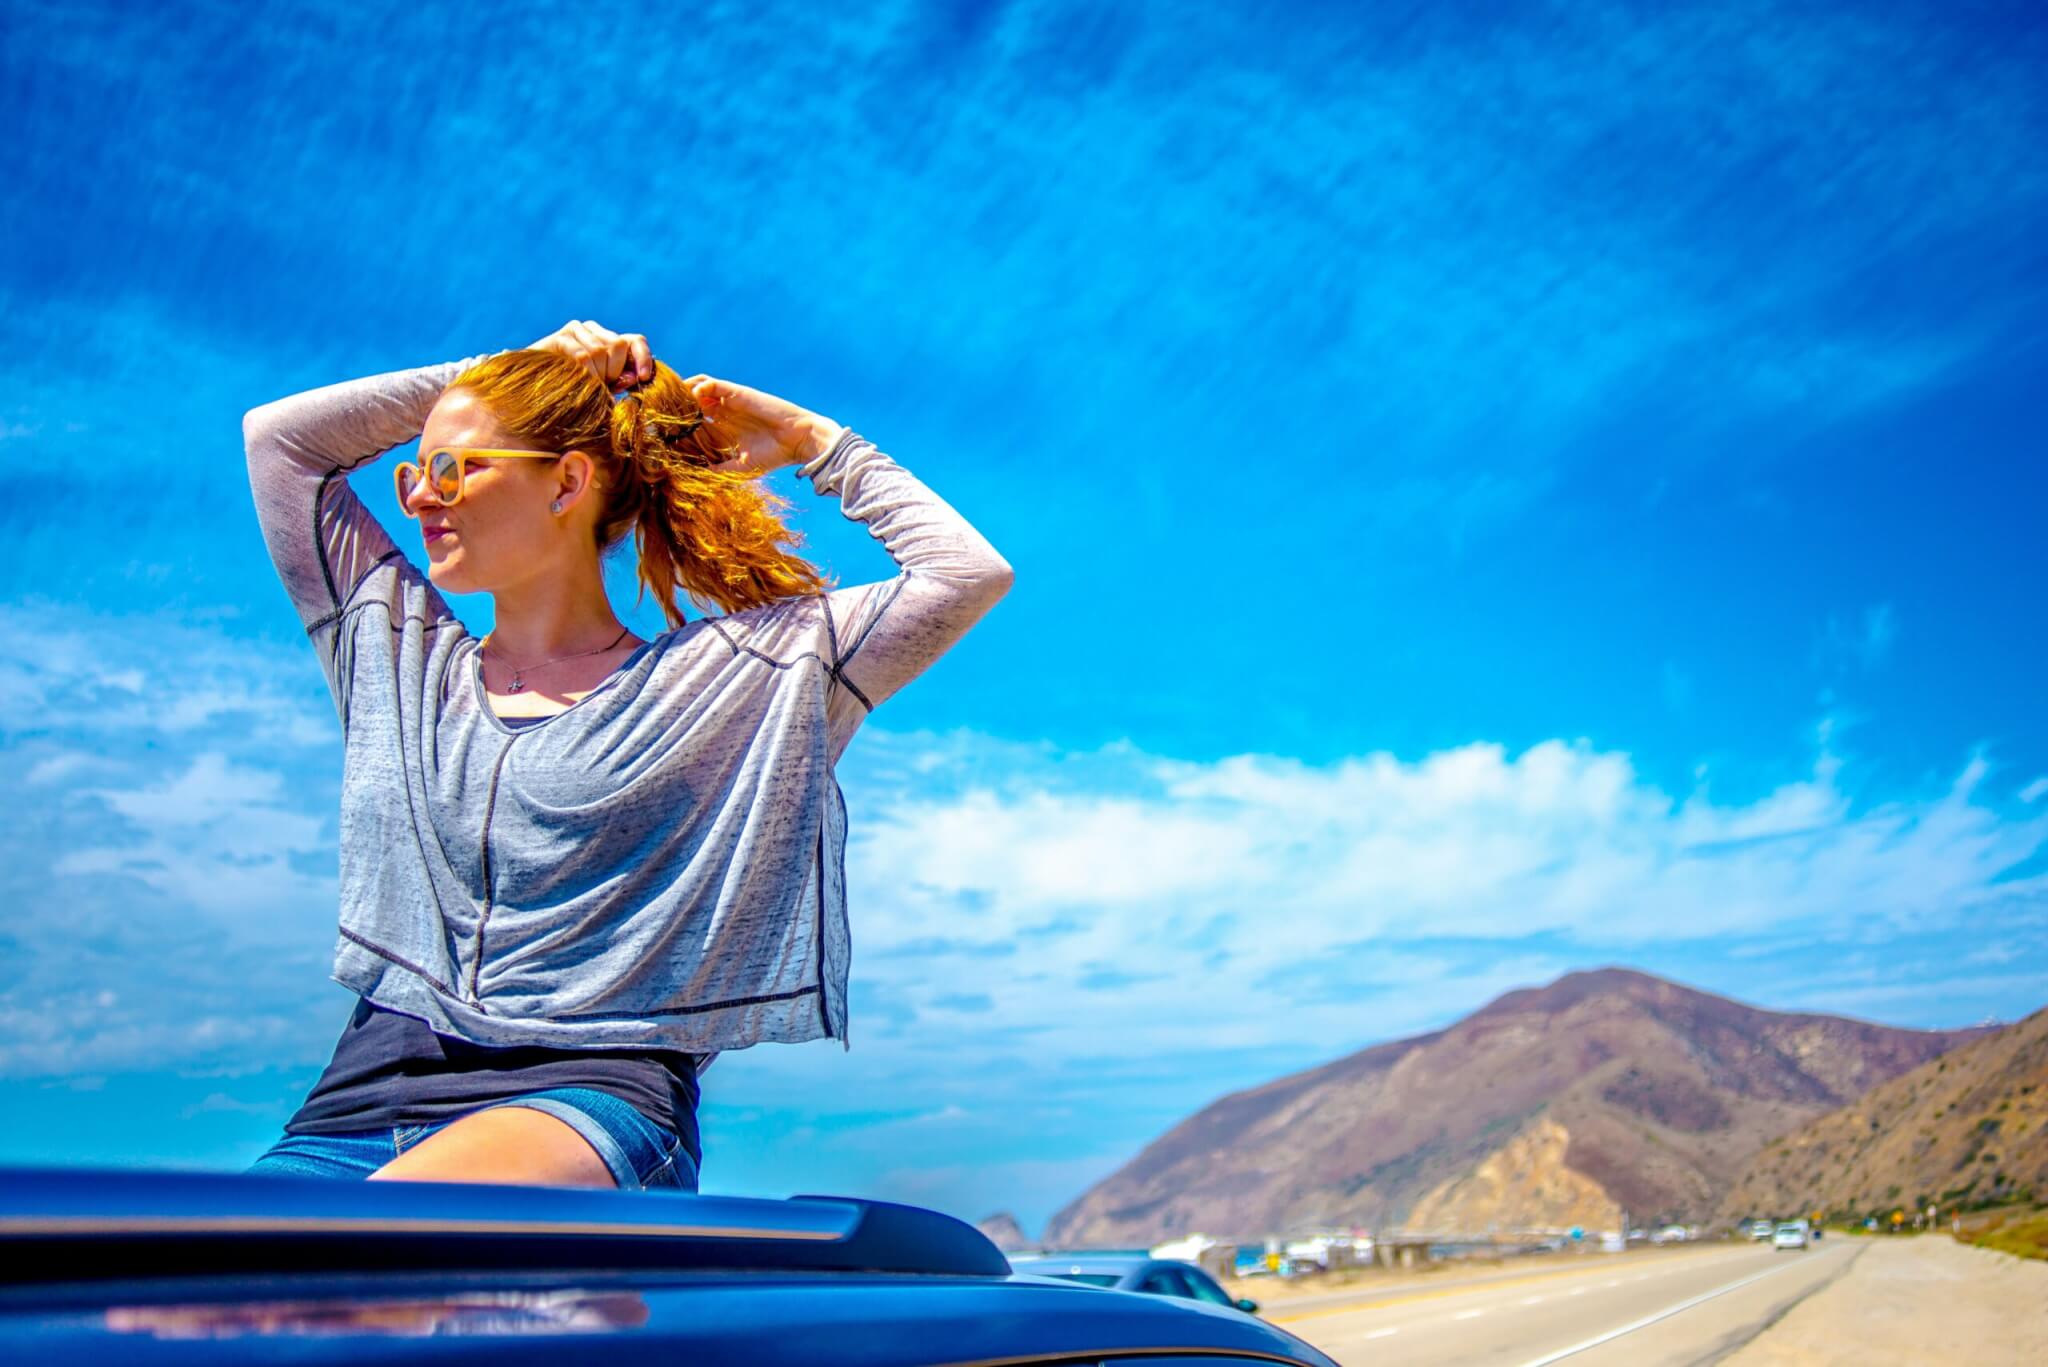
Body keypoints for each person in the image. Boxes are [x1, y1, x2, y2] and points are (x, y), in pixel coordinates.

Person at [240, 319, 1012, 1191]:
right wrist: (506, 375)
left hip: (582, 1101)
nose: (420, 497)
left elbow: (964, 575)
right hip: (356, 1103)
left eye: (453, 468)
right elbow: (280, 442)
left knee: (352, 1255)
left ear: (568, 481)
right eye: (412, 474)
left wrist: (810, 442)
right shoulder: (395, 649)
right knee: (160, 1298)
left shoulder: (733, 677)